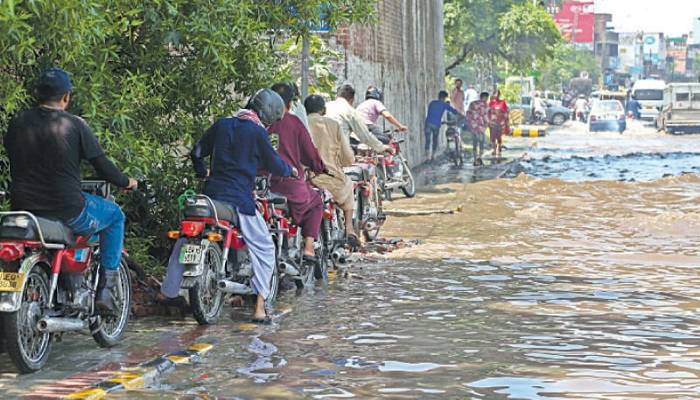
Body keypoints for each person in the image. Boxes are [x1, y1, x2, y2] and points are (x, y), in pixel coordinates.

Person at [4, 68, 138, 315]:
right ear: (66, 96)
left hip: (24, 211)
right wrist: (126, 181)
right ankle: (105, 292)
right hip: (67, 210)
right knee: (115, 216)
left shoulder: (17, 122)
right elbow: (102, 166)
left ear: (36, 94)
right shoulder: (74, 125)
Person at [190, 89, 296, 323]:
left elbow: (196, 151)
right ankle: (259, 309)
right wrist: (291, 170)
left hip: (211, 195)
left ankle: (168, 292)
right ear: (268, 114)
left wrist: (202, 172)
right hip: (239, 200)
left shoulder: (222, 124)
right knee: (266, 248)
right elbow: (274, 164)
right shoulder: (257, 132)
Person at [269, 82, 326, 267]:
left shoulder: (261, 122)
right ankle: (309, 248)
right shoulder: (294, 123)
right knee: (316, 202)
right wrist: (318, 166)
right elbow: (310, 154)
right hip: (289, 186)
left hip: (260, 187)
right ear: (290, 103)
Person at [304, 95, 359, 247]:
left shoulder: (302, 124)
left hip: (307, 181)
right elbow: (347, 157)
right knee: (348, 186)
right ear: (324, 110)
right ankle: (349, 228)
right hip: (331, 180)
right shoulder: (333, 125)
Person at [326, 83, 394, 155]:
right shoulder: (350, 111)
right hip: (337, 154)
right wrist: (382, 147)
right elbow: (365, 136)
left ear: (337, 96)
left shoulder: (325, 106)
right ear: (352, 99)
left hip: (318, 152)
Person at [424, 90, 462, 161]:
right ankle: (433, 156)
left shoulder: (432, 103)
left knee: (428, 140)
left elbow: (431, 112)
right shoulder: (444, 104)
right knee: (435, 140)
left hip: (428, 123)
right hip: (436, 124)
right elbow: (454, 111)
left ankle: (427, 157)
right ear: (444, 98)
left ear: (438, 96)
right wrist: (461, 114)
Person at [466, 91, 490, 166]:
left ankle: (475, 159)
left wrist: (470, 124)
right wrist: (487, 124)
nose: (486, 99)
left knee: (475, 143)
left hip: (474, 127)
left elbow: (468, 114)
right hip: (481, 127)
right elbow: (486, 117)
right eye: (486, 98)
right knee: (481, 143)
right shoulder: (485, 105)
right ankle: (479, 158)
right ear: (485, 97)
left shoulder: (472, 104)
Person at [488, 90, 509, 157]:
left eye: (497, 94)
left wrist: (506, 122)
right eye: (495, 94)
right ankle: (494, 149)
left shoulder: (502, 103)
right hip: (492, 122)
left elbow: (506, 112)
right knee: (493, 136)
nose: (496, 95)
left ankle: (499, 145)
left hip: (500, 122)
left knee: (499, 136)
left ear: (499, 95)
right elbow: (488, 112)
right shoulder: (491, 103)